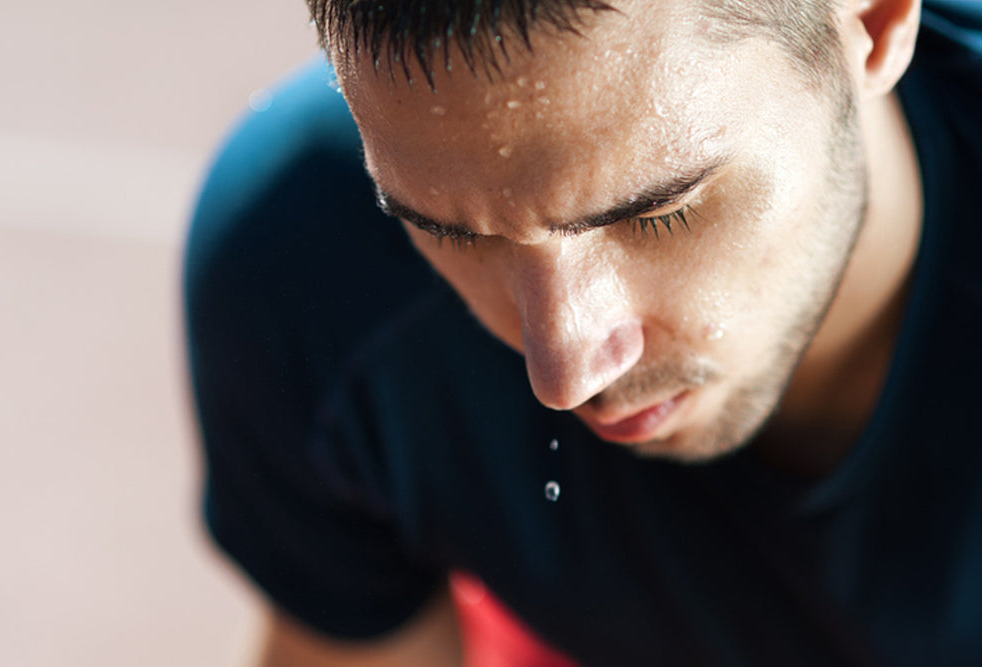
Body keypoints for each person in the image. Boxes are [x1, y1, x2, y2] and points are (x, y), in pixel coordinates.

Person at [183, 0, 982, 664]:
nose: (563, 372)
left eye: (658, 212)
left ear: (873, 23)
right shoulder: (312, 266)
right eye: (452, 233)